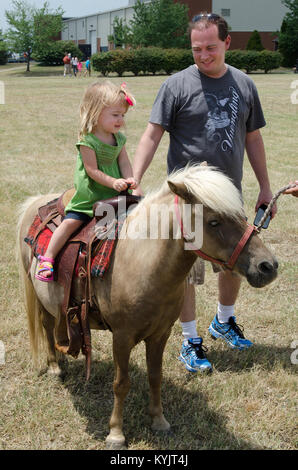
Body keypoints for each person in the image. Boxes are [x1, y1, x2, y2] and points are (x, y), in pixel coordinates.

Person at [132, 12, 277, 373]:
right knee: (189, 270)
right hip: (191, 199)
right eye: (197, 49)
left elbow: (253, 138)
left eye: (211, 47)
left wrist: (264, 186)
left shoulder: (244, 85)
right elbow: (152, 135)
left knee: (234, 258)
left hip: (229, 197)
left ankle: (223, 321)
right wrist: (134, 178)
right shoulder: (176, 86)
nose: (204, 55)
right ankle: (191, 339)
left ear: (227, 43)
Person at [35, 81, 137, 281]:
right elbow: (91, 170)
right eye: (115, 115)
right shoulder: (87, 141)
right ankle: (47, 258)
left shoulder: (119, 138)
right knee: (72, 221)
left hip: (115, 193)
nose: (120, 120)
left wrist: (129, 178)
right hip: (91, 194)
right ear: (96, 112)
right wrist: (113, 182)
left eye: (123, 115)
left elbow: (124, 161)